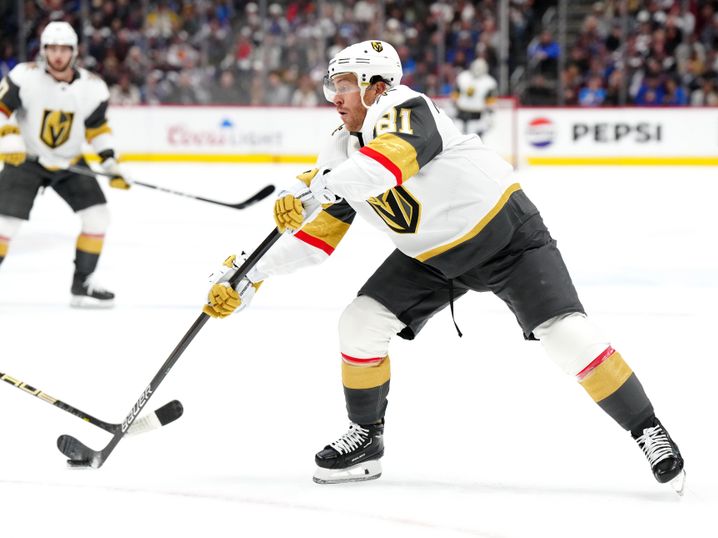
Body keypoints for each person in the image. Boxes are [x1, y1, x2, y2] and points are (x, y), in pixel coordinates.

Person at [204, 40, 686, 493]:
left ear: (378, 86)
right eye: (334, 86)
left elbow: (385, 166)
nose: (336, 97)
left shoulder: (409, 109)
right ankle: (365, 439)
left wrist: (315, 186)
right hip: (432, 258)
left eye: (347, 84)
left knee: (567, 336)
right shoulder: (339, 152)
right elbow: (313, 241)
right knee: (360, 322)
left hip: (507, 237)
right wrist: (249, 273)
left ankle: (648, 430)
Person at [0, 21, 131, 307]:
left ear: (74, 52)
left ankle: (82, 283)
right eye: (52, 48)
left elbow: (97, 129)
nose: (57, 55)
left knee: (98, 217)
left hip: (70, 162)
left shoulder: (93, 87)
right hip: (26, 160)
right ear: (43, 51)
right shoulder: (24, 76)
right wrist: (8, 138)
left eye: (64, 49)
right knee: (5, 224)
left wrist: (110, 161)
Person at [451, 58, 497, 138]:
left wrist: (489, 117)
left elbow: (490, 103)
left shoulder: (489, 82)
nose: (477, 70)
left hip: (477, 116)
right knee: (457, 138)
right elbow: (455, 95)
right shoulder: (463, 77)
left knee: (474, 141)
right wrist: (452, 109)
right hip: (460, 113)